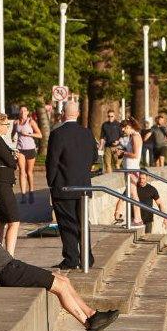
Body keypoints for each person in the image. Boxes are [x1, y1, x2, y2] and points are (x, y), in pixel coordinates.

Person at [0, 190, 120, 331]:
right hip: (9, 272)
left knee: (64, 280)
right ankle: (88, 324)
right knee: (59, 286)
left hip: (12, 267)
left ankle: (92, 315)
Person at [45, 101, 97, 270]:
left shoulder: (57, 134)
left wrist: (51, 183)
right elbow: (94, 157)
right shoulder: (87, 133)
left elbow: (52, 161)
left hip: (64, 186)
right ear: (78, 113)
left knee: (67, 223)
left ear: (62, 113)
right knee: (83, 222)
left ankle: (71, 258)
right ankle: (87, 257)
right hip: (83, 186)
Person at [0, 113, 21, 256]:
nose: (8, 127)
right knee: (14, 220)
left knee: (0, 221)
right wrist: (14, 157)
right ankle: (9, 256)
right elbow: (11, 162)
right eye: (6, 125)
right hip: (2, 186)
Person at [113, 118, 145, 228]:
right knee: (131, 194)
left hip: (132, 168)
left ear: (129, 127)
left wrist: (123, 152)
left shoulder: (136, 137)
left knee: (133, 194)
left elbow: (135, 154)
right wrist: (122, 152)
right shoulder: (132, 137)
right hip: (129, 168)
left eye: (124, 128)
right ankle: (137, 218)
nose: (123, 131)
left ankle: (137, 219)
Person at [13, 106, 42, 204]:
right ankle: (23, 195)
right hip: (20, 149)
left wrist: (29, 134)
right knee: (21, 171)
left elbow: (40, 135)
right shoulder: (16, 123)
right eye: (21, 111)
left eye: (24, 111)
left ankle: (31, 192)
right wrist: (13, 137)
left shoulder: (31, 122)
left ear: (27, 112)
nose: (22, 112)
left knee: (29, 172)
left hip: (30, 149)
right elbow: (13, 133)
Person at [99, 110, 122, 174]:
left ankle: (119, 178)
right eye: (109, 116)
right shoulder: (104, 125)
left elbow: (122, 136)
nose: (110, 118)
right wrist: (100, 146)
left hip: (117, 147)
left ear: (114, 116)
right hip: (107, 147)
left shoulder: (118, 124)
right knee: (107, 164)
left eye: (112, 116)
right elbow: (102, 137)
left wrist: (118, 141)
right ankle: (109, 179)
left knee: (117, 164)